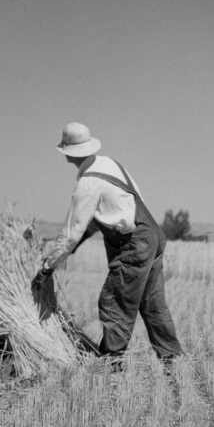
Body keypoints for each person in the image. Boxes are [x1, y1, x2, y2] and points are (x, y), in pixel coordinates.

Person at [40, 122, 183, 370]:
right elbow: (98, 221)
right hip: (152, 234)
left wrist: (48, 266)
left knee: (114, 300)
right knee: (152, 303)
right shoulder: (109, 164)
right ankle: (173, 359)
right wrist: (72, 248)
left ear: (68, 154)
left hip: (134, 243)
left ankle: (111, 362)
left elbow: (71, 233)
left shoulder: (87, 184)